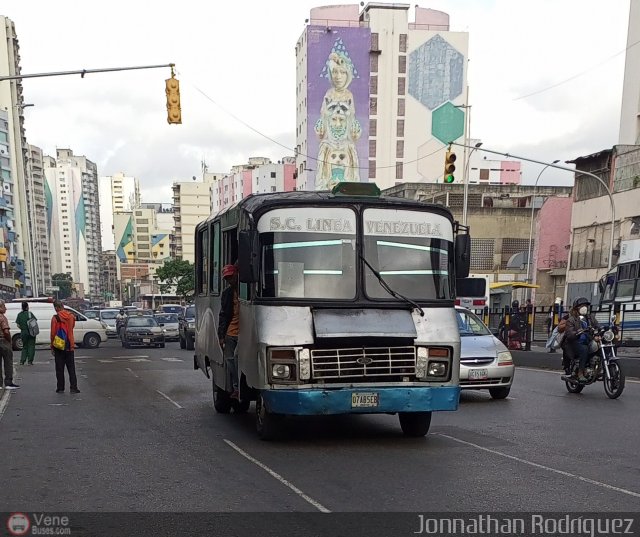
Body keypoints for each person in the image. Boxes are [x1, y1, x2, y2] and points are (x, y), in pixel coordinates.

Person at [564, 297, 600, 383]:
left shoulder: (590, 318)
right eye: (581, 306)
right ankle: (580, 373)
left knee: (601, 347)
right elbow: (569, 334)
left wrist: (604, 329)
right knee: (584, 349)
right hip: (575, 342)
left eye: (585, 305)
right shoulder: (571, 319)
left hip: (589, 340)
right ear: (576, 308)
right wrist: (577, 332)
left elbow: (598, 326)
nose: (584, 307)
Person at [218, 264, 240, 399]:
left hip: (245, 332)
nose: (230, 280)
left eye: (232, 277)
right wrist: (221, 336)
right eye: (228, 279)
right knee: (230, 359)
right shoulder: (227, 294)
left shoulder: (248, 291)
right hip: (231, 332)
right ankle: (236, 387)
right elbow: (223, 315)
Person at [50, 300, 79, 394]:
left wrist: (52, 346)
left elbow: (53, 333)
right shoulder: (71, 316)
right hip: (69, 343)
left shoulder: (55, 318)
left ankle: (60, 387)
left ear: (56, 308)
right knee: (71, 368)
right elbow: (72, 327)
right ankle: (74, 387)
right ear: (63, 306)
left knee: (59, 368)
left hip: (59, 345)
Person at [0, 300, 19, 389]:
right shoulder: (2, 317)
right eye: (4, 306)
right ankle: (8, 382)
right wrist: (9, 340)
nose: (6, 308)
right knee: (8, 362)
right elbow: (6, 331)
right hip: (3, 341)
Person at [16, 301, 36, 365]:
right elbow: (34, 322)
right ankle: (30, 361)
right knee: (31, 346)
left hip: (23, 332)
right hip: (31, 332)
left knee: (24, 346)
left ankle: (22, 361)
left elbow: (18, 325)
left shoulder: (19, 315)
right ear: (27, 307)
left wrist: (23, 328)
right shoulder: (30, 314)